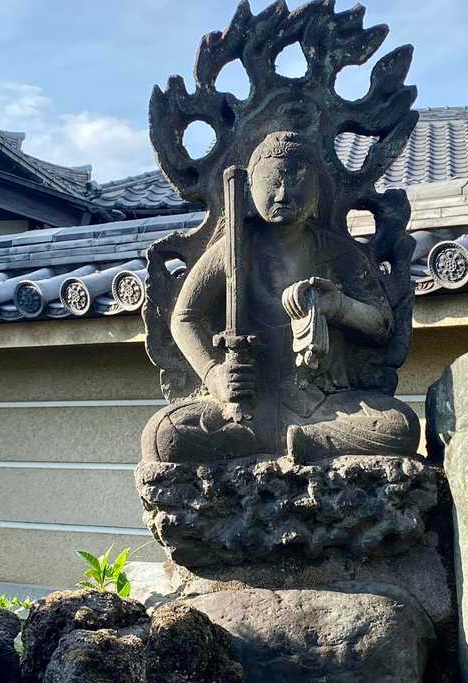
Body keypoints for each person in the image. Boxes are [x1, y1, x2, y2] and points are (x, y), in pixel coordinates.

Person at [141, 130, 420, 463]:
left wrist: (337, 306)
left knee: (400, 426)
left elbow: (382, 325)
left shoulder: (335, 251)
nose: (284, 193)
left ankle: (307, 441)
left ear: (318, 190)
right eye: (272, 182)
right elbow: (185, 317)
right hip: (247, 407)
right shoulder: (234, 248)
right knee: (164, 434)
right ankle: (291, 441)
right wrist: (214, 375)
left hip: (322, 404)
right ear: (250, 188)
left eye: (297, 181)